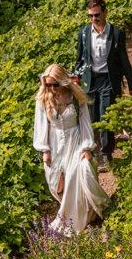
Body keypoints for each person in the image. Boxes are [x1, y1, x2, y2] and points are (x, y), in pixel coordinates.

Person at [33, 63, 109, 234]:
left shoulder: (75, 97)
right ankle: (70, 209)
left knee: (76, 175)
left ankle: (78, 217)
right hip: (54, 143)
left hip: (74, 139)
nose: (52, 88)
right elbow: (41, 126)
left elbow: (84, 123)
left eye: (55, 84)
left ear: (63, 82)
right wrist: (44, 150)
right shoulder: (43, 99)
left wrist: (87, 148)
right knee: (57, 184)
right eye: (49, 84)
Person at [75, 0, 132, 171]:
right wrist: (75, 79)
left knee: (105, 117)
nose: (94, 19)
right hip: (90, 80)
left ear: (105, 12)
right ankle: (92, 154)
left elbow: (124, 60)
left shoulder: (116, 33)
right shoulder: (84, 33)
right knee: (91, 118)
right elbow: (80, 59)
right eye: (90, 16)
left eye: (96, 15)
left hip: (109, 80)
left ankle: (106, 156)